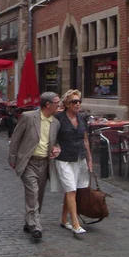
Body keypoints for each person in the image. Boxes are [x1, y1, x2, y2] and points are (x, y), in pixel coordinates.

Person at [8, 92, 61, 241]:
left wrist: (56, 148)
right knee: (33, 191)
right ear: (48, 104)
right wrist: (12, 159)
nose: (59, 105)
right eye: (57, 102)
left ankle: (29, 222)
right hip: (28, 161)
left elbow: (55, 141)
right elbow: (16, 138)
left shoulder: (55, 123)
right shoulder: (28, 117)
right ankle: (36, 227)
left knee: (39, 195)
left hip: (44, 162)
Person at [53, 89, 93, 236]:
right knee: (71, 190)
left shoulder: (82, 118)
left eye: (79, 101)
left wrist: (89, 159)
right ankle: (75, 223)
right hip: (64, 159)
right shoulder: (58, 118)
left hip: (79, 158)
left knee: (72, 188)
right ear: (67, 104)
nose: (77, 104)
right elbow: (51, 136)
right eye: (74, 102)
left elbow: (85, 140)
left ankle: (64, 219)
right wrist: (54, 146)